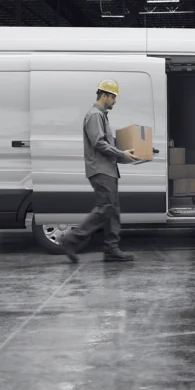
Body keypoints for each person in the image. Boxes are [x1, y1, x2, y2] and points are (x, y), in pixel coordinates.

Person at [58, 79, 138, 263]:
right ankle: (71, 239)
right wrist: (121, 153)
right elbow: (99, 143)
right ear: (104, 95)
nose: (115, 101)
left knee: (112, 211)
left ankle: (111, 249)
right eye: (113, 97)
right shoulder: (94, 115)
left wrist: (134, 152)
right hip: (101, 171)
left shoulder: (101, 115)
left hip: (108, 170)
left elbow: (108, 143)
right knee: (105, 208)